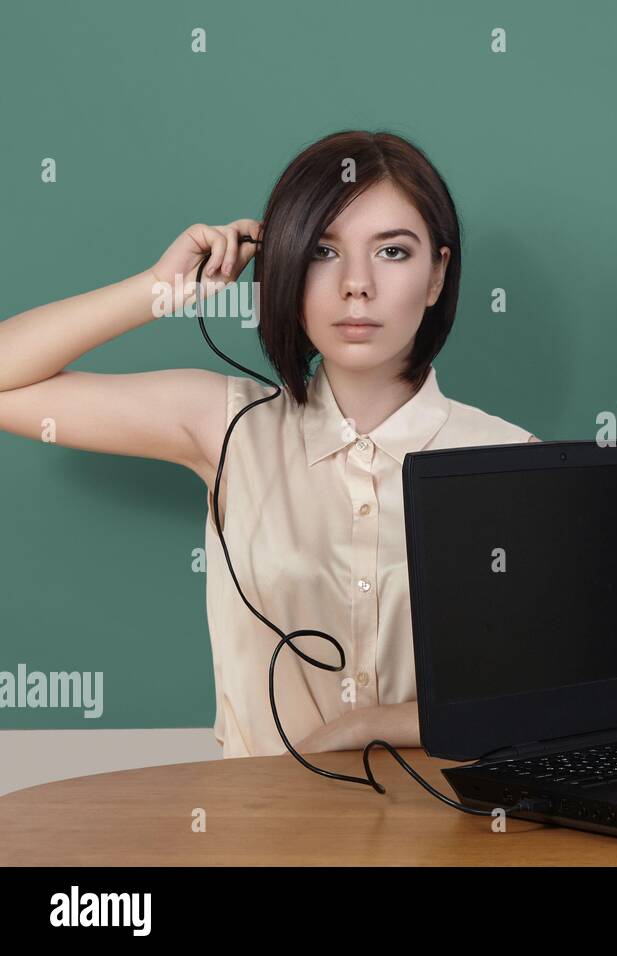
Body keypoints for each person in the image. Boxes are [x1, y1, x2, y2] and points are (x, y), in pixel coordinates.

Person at [0, 130, 538, 757]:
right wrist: (159, 288)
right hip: (255, 830)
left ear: (436, 275)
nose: (356, 285)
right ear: (283, 268)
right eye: (321, 253)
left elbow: (544, 696)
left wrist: (369, 725)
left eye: (392, 252)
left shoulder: (512, 459)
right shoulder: (225, 426)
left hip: (446, 834)